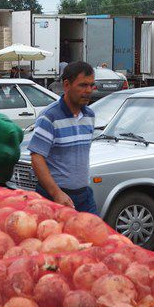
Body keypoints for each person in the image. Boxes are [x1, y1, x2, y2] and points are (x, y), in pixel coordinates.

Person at [28, 61, 97, 213]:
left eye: (91, 85)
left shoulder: (90, 115)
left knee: (93, 235)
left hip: (84, 196)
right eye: (83, 85)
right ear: (66, 85)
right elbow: (36, 157)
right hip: (53, 197)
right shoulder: (49, 117)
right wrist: (56, 193)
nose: (88, 90)